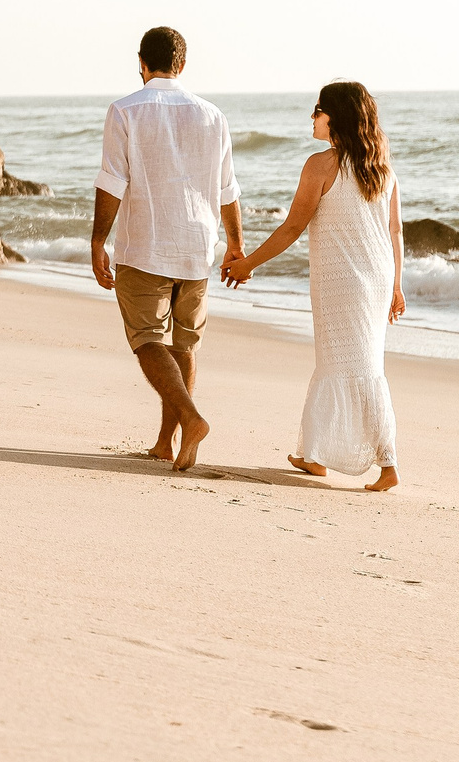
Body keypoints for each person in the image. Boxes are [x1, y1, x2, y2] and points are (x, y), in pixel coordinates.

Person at [221, 80, 404, 492]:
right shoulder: (382, 167)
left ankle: (388, 463)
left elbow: (293, 227)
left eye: (318, 109)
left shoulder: (321, 165)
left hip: (344, 280)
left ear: (335, 116)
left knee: (352, 366)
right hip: (376, 278)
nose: (312, 116)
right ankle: (314, 454)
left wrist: (248, 262)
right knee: (350, 362)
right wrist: (396, 285)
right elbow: (395, 230)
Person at [90, 26, 241, 470]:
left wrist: (99, 240)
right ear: (182, 64)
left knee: (146, 340)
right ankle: (164, 442)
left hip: (146, 246)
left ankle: (190, 419)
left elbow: (112, 181)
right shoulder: (213, 116)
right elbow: (227, 188)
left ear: (141, 62)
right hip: (198, 249)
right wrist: (235, 244)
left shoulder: (125, 111)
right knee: (184, 345)